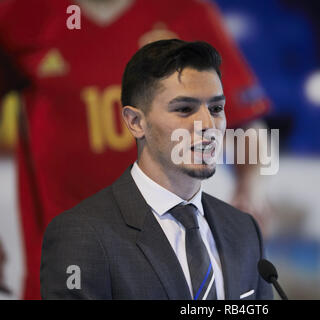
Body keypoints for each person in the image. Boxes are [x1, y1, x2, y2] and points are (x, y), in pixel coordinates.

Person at [0, 0, 271, 299]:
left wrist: (252, 185)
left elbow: (247, 119)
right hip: (62, 253)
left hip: (166, 242)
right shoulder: (22, 13)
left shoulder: (186, 10)